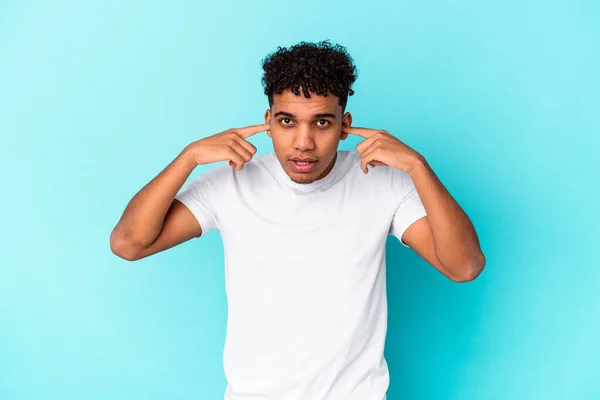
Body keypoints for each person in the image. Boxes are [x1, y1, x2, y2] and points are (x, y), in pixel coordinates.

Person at [110, 40, 486, 400]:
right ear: (268, 121)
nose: (303, 142)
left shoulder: (384, 183)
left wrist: (418, 166)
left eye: (322, 123)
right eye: (288, 121)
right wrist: (188, 157)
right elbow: (129, 244)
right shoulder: (231, 183)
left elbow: (464, 266)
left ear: (345, 124)